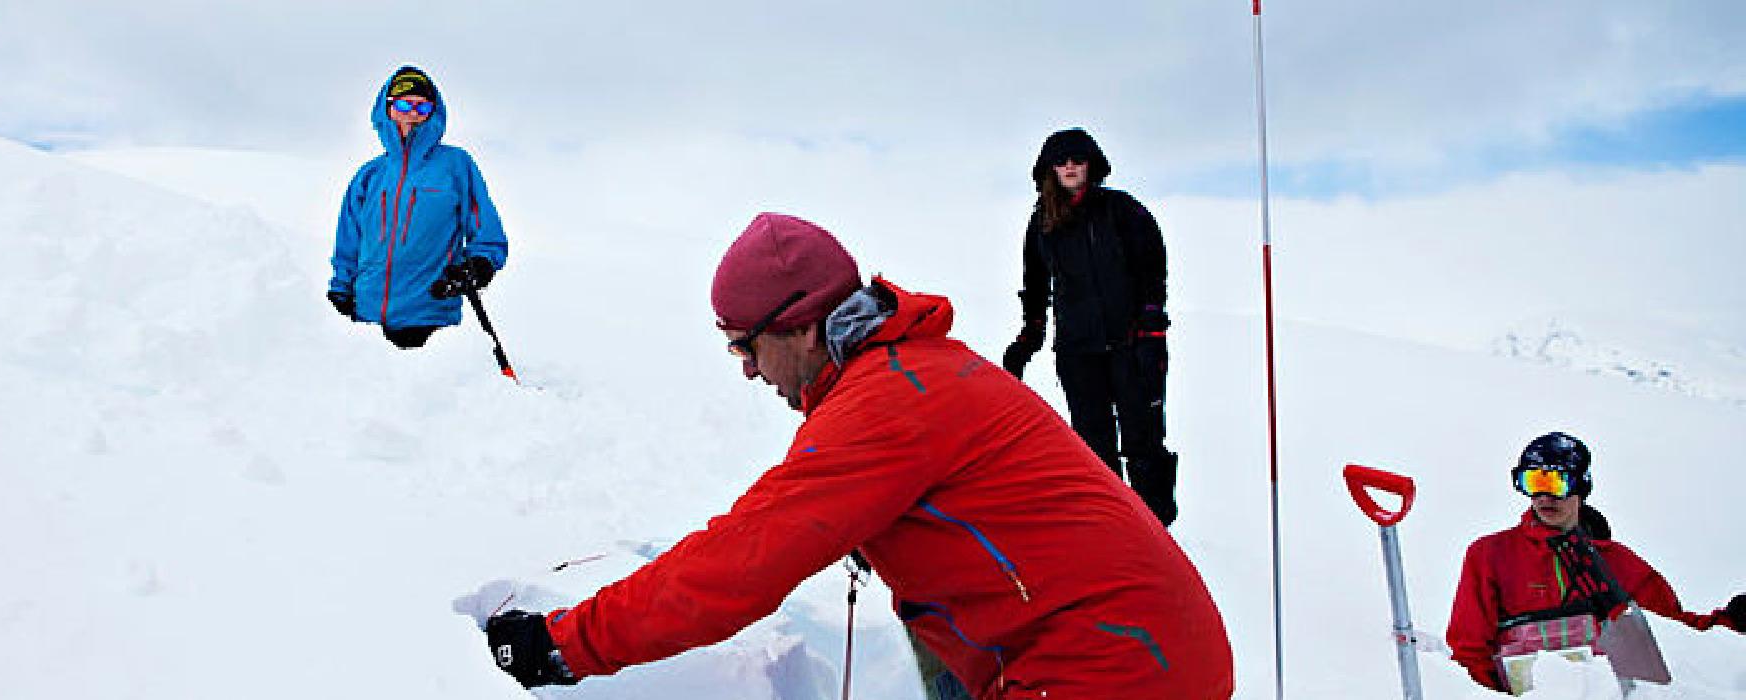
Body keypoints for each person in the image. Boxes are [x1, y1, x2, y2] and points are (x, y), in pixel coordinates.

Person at [481, 213, 1233, 699]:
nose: (745, 367)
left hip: (1112, 670)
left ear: (804, 328)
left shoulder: (886, 403)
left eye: (747, 344)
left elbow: (741, 563)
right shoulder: (912, 369)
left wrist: (564, 642)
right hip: (1126, 652)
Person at [1446, 432, 1744, 691]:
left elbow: (1671, 634)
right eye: (1533, 481)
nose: (1543, 496)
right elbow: (1468, 653)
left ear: (1580, 485)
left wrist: (1730, 622)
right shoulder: (1491, 556)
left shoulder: (1619, 564)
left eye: (1555, 481)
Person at [1000, 127, 1179, 526]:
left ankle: (1157, 526)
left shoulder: (1122, 211)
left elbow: (1153, 269)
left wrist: (1151, 327)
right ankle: (1111, 527)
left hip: (1132, 346)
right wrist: (1028, 339)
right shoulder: (1042, 223)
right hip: (1078, 352)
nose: (1069, 167)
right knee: (1094, 445)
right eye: (1061, 161)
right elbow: (1036, 286)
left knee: (1143, 440)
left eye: (1077, 160)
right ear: (1049, 168)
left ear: (1090, 165)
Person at [327, 65, 507, 349]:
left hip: (430, 314)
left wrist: (480, 263)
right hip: (366, 318)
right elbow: (349, 239)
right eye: (404, 104)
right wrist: (341, 287)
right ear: (387, 109)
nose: (413, 114)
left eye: (423, 107)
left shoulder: (455, 165)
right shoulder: (370, 174)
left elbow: (486, 231)